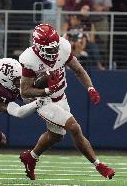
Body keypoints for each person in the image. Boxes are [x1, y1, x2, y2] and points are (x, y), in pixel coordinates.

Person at [18, 24, 115, 180]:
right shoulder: (30, 60)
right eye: (50, 49)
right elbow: (25, 91)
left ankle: (31, 157)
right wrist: (46, 90)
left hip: (61, 97)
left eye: (56, 48)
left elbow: (78, 70)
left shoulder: (62, 47)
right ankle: (99, 165)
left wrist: (90, 88)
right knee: (74, 127)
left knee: (56, 135)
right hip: (43, 100)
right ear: (38, 46)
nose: (55, 52)